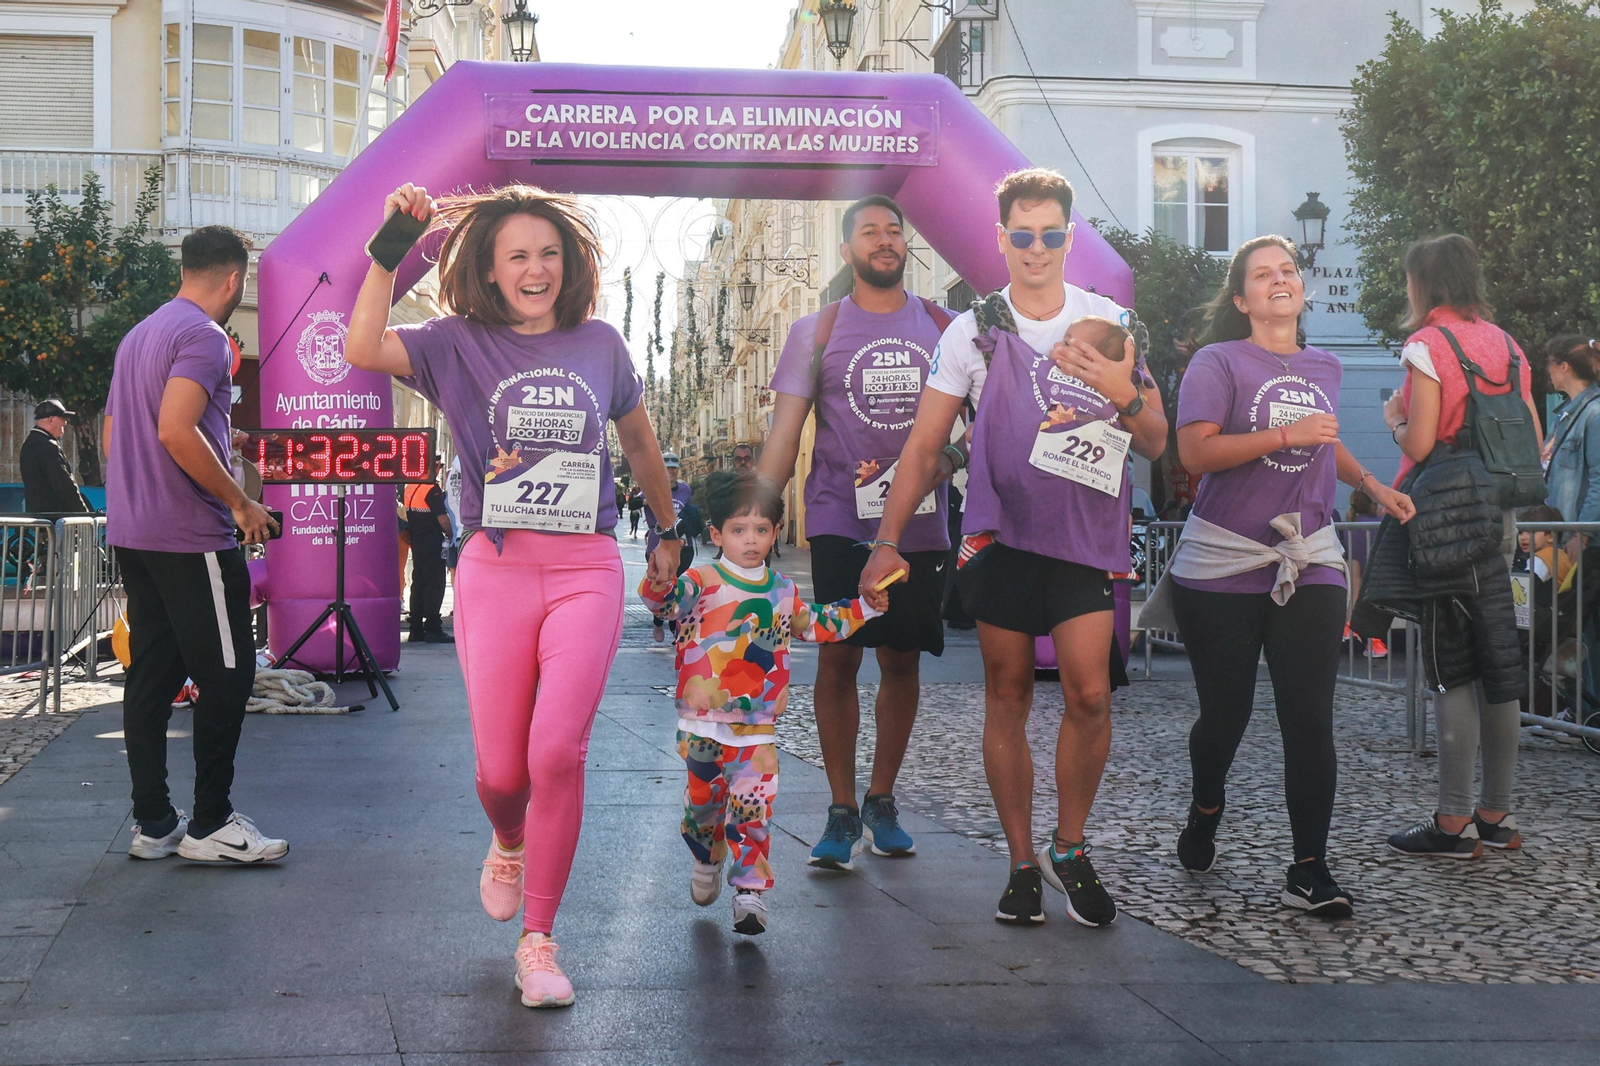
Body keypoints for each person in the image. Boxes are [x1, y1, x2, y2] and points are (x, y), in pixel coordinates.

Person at [344, 182, 683, 1008]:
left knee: (556, 752)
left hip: (586, 568)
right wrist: (388, 253)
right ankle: (507, 839)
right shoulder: (455, 343)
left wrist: (670, 533)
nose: (536, 269)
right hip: (496, 570)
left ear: (567, 266)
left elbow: (637, 440)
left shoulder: (600, 343)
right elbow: (360, 348)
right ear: (492, 272)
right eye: (518, 256)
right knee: (502, 772)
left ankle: (539, 940)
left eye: (549, 254)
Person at [861, 168, 1170, 926]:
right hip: (998, 537)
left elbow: (1158, 441)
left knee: (1090, 694)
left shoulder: (1111, 321)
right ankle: (1022, 862)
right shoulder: (972, 330)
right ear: (1001, 239)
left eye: (1052, 235)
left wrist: (1121, 388)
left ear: (1071, 236)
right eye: (1022, 236)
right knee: (1008, 694)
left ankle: (1070, 846)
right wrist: (886, 541)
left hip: (1084, 539)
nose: (1037, 249)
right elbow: (925, 443)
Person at [1141, 234, 1415, 918]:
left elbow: (1329, 438)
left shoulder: (1324, 364)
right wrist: (1283, 436)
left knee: (1308, 716)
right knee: (1225, 716)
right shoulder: (1219, 360)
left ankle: (1309, 868)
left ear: (1301, 287)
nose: (1279, 280)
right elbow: (1195, 451)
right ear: (1242, 299)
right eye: (1262, 275)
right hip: (1225, 558)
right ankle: (1207, 808)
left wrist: (1373, 485)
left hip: (1310, 555)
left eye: (1288, 270)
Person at [759, 194, 960, 869]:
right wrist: (757, 517)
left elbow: (990, 422)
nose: (884, 240)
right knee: (839, 656)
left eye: (894, 231)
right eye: (869, 231)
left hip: (923, 525)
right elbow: (784, 435)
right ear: (847, 251)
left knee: (901, 658)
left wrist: (947, 464)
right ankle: (842, 809)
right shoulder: (815, 332)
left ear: (906, 248)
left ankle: (882, 798)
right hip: (841, 520)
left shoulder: (946, 326)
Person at [104, 224, 285, 866]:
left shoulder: (139, 335)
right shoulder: (206, 338)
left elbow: (115, 439)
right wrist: (240, 503)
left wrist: (217, 443)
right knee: (230, 674)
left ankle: (155, 824)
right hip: (192, 537)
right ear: (234, 279)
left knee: (153, 674)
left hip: (135, 532)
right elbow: (175, 431)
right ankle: (212, 822)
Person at [639, 472, 885, 934]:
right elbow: (665, 604)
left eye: (761, 530)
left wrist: (866, 607)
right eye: (738, 530)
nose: (750, 540)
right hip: (701, 727)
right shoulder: (701, 580)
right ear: (716, 535)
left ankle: (750, 893)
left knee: (754, 809)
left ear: (775, 532)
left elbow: (818, 624)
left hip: (757, 728)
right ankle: (706, 855)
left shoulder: (783, 590)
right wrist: (657, 580)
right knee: (703, 809)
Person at [1381, 233, 1538, 858]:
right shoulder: (1506, 344)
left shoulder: (1427, 344)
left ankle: (1451, 824)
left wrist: (1394, 418)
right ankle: (1496, 815)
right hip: (1498, 514)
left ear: (1424, 283)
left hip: (1446, 516)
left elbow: (1419, 444)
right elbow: (1529, 430)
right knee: (1498, 660)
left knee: (1452, 666)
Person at [1541, 336, 1600, 555]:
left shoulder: (1595, 415)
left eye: (1550, 362)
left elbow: (1599, 480)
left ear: (1564, 367)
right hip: (1561, 543)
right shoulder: (1563, 416)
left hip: (1582, 547)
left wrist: (1582, 534)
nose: (1548, 369)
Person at [645, 452, 695, 643]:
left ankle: (676, 628)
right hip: (656, 544)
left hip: (684, 545)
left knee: (679, 587)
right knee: (661, 585)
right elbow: (632, 503)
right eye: (667, 468)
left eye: (674, 467)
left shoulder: (685, 490)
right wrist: (647, 501)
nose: (671, 471)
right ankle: (658, 622)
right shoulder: (651, 488)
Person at [403, 467, 453, 643]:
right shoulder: (432, 489)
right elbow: (443, 518)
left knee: (418, 583)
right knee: (435, 583)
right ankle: (433, 627)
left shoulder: (409, 487)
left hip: (416, 541)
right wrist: (450, 533)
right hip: (433, 540)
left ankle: (415, 629)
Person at [21, 399, 90, 515]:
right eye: (62, 418)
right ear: (51, 420)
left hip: (41, 521)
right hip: (57, 523)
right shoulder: (47, 446)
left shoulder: (29, 444)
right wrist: (84, 515)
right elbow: (65, 487)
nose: (65, 423)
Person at [1343, 489, 1386, 658]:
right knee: (1374, 601)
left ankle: (1349, 626)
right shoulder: (1379, 522)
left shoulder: (1351, 524)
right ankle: (1374, 642)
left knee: (1354, 577)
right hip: (1376, 569)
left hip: (1357, 569)